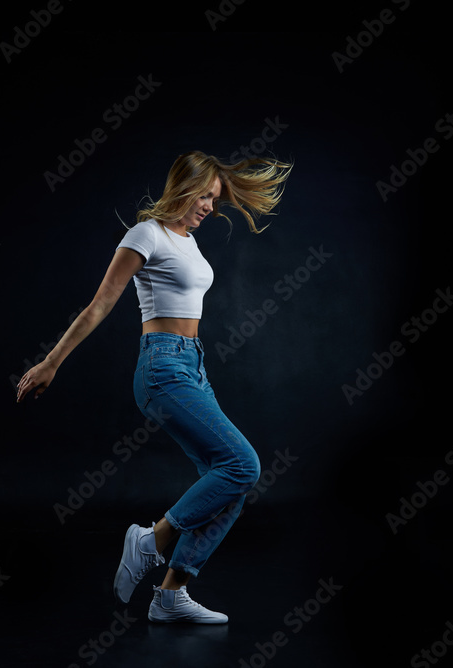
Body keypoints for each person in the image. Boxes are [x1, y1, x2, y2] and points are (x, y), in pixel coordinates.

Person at [16, 150, 291, 623]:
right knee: (243, 464)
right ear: (183, 187)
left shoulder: (188, 241)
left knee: (230, 484)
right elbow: (100, 304)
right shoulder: (147, 233)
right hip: (162, 368)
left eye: (214, 199)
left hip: (193, 367)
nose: (209, 206)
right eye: (204, 195)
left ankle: (170, 596)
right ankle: (151, 539)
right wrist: (51, 362)